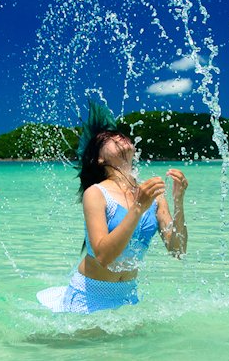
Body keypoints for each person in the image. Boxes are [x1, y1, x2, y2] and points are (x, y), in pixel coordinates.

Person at [37, 101, 188, 313]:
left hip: (128, 298)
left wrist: (179, 201)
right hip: (88, 297)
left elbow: (178, 251)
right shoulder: (97, 193)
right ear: (99, 158)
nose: (119, 137)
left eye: (120, 134)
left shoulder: (153, 195)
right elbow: (103, 257)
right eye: (109, 138)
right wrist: (137, 208)